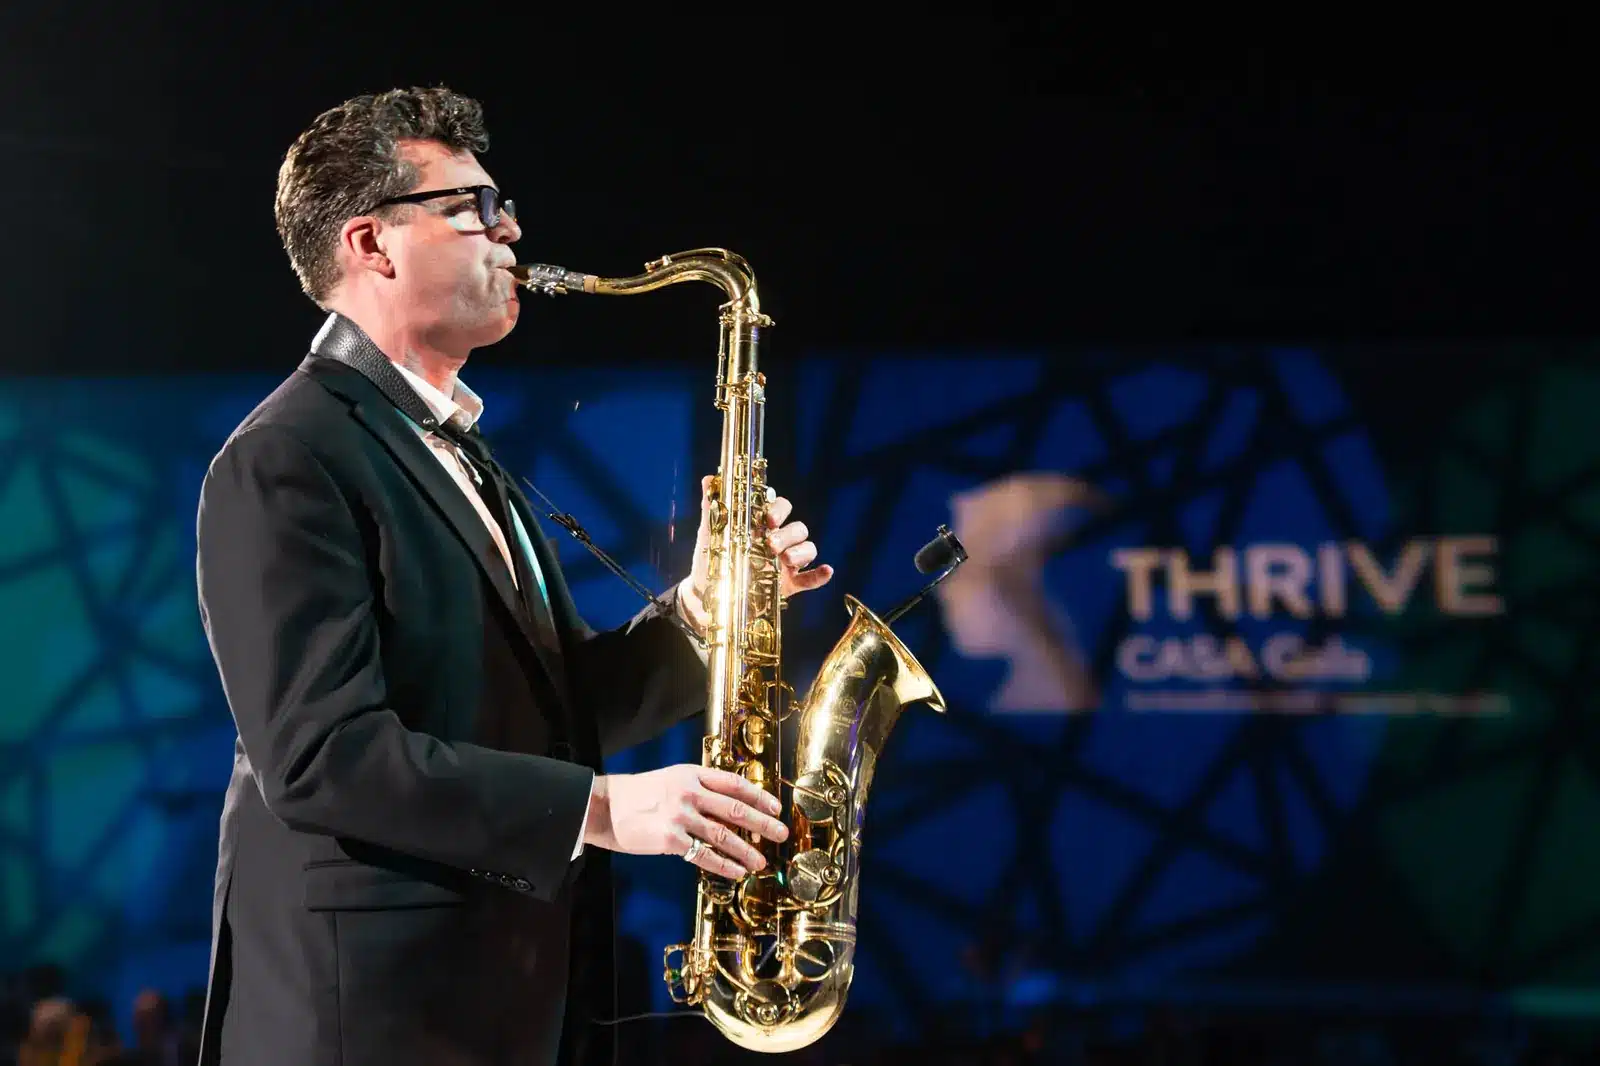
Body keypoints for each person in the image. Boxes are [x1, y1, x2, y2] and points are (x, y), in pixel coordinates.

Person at [192, 86, 833, 1066]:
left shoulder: (459, 450)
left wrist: (711, 611)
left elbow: (544, 713)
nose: (513, 230)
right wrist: (605, 808)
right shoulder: (285, 455)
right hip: (365, 1024)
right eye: (473, 208)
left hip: (490, 1010)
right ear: (371, 243)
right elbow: (322, 757)